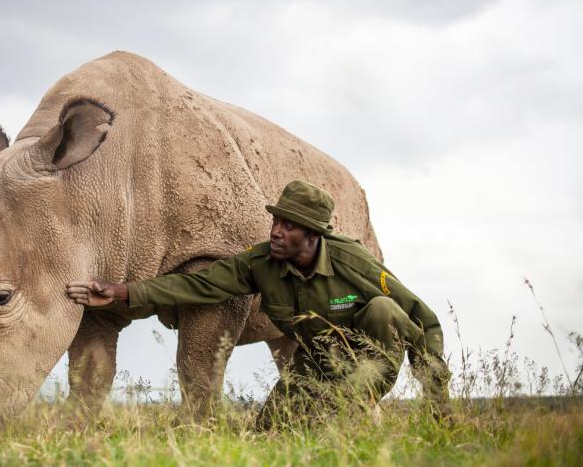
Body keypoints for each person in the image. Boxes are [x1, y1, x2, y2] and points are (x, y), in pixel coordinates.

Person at [66, 180, 450, 427]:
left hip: (369, 360)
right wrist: (123, 292)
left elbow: (421, 317)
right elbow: (200, 284)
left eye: (288, 225)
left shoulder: (352, 261)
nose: (276, 231)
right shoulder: (261, 263)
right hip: (316, 360)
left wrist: (438, 398)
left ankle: (350, 409)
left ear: (313, 234)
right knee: (268, 434)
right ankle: (325, 414)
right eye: (276, 221)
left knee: (384, 310)